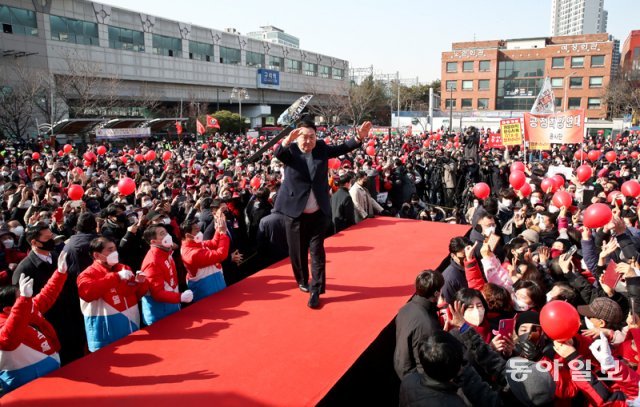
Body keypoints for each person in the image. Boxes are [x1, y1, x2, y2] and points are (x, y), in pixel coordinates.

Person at [274, 118, 370, 308]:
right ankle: (302, 280)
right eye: (304, 137)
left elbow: (342, 148)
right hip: (295, 211)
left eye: (312, 137)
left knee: (317, 252)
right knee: (297, 252)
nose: (308, 141)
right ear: (296, 137)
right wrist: (286, 141)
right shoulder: (290, 151)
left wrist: (358, 137)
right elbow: (279, 154)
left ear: (316, 136)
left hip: (318, 210)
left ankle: (316, 290)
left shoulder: (321, 147)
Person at [0, 253, 67, 392]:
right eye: (22, 297)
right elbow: (9, 339)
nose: (28, 297)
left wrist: (60, 273)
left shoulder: (27, 306)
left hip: (52, 370)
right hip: (24, 382)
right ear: (8, 309)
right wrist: (23, 301)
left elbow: (47, 294)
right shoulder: (4, 322)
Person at [77, 237, 148, 352]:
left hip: (131, 327)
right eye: (110, 250)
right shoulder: (87, 274)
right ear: (97, 255)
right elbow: (87, 293)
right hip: (106, 336)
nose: (114, 253)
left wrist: (140, 283)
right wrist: (116, 277)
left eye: (115, 249)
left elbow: (132, 294)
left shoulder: (123, 268)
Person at [394, 269, 444, 379]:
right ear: (436, 293)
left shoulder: (405, 309)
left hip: (402, 367)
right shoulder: (428, 324)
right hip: (418, 378)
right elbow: (425, 361)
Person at [140, 225, 193, 326]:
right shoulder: (153, 261)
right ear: (153, 242)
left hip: (171, 307)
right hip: (160, 314)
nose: (167, 235)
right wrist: (180, 297)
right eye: (161, 234)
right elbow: (157, 293)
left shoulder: (166, 253)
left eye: (165, 232)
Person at [180, 217, 230, 302]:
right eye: (196, 231)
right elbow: (220, 254)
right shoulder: (191, 254)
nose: (200, 233)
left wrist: (218, 229)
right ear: (187, 235)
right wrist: (223, 233)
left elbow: (214, 243)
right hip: (206, 295)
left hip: (218, 287)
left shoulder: (197, 243)